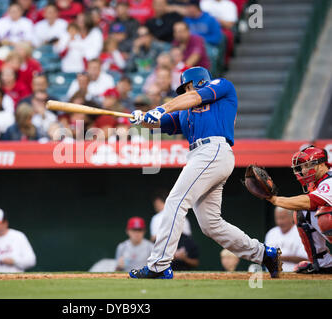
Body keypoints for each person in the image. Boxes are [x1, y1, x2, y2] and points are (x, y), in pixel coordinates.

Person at [128, 66, 282, 279]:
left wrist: (161, 108)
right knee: (211, 225)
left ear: (197, 82)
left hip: (214, 150)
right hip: (201, 156)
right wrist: (143, 118)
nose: (185, 91)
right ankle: (265, 254)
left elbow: (193, 98)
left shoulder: (221, 87)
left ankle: (159, 265)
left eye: (187, 86)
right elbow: (158, 122)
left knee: (175, 201)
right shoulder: (185, 112)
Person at [267, 146, 332, 274]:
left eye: (306, 166)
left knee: (326, 217)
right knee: (302, 213)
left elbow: (310, 201)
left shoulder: (329, 180)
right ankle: (323, 263)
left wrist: (274, 199)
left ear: (320, 165)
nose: (303, 170)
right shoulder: (318, 181)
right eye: (301, 167)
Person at [265, 207, 308, 272]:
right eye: (277, 218)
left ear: (292, 218)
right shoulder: (271, 233)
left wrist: (279, 257)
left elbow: (305, 259)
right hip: (272, 275)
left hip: (294, 274)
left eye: (282, 218)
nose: (279, 222)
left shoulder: (300, 232)